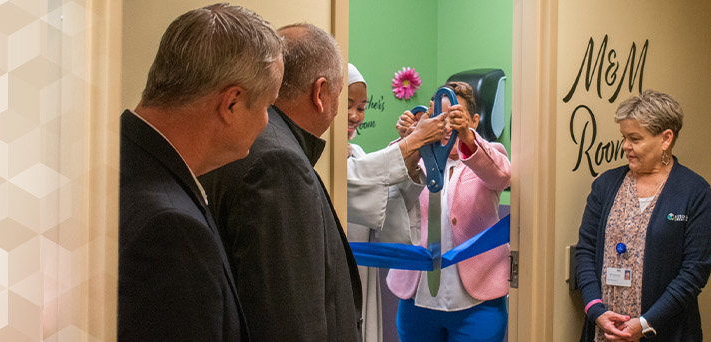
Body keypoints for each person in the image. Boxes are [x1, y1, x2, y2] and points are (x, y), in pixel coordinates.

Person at [117, 4, 282, 341]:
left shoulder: (118, 158)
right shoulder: (170, 228)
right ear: (232, 103)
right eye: (268, 106)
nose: (267, 123)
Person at [198, 23, 361, 341]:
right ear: (320, 93)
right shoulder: (278, 163)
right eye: (341, 95)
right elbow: (289, 318)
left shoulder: (251, 140)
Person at [572, 90, 711, 342]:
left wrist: (646, 323)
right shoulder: (605, 185)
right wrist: (596, 311)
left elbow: (693, 272)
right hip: (604, 331)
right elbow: (585, 251)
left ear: (666, 138)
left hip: (667, 332)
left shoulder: (694, 191)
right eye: (624, 137)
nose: (626, 146)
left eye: (635, 138)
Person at [385, 81, 512, 342]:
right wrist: (410, 142)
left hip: (477, 301)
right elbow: (387, 182)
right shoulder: (417, 157)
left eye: (453, 117)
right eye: (437, 118)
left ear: (473, 120)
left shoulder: (489, 154)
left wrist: (466, 137)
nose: (444, 127)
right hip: (417, 300)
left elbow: (502, 177)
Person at [345, 63, 450, 341]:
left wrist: (414, 155)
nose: (355, 115)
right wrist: (412, 141)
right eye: (348, 105)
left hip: (361, 270)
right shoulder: (322, 155)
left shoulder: (356, 152)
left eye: (361, 107)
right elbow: (355, 184)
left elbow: (385, 200)